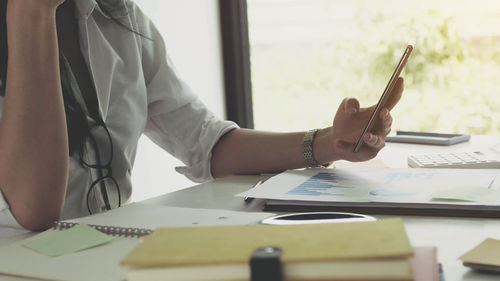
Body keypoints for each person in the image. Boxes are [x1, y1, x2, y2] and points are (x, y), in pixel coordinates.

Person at [0, 0, 403, 231]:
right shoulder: (28, 16)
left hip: (101, 253)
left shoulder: (116, 17)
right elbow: (35, 211)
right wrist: (30, 13)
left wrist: (328, 142)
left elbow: (206, 142)